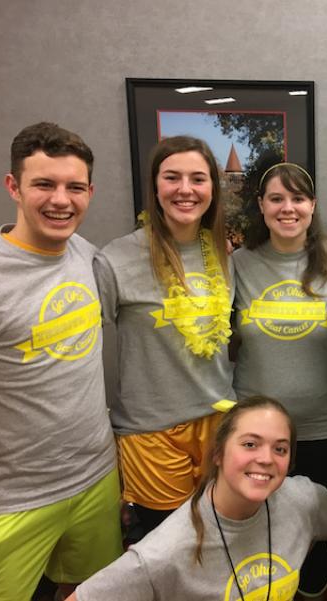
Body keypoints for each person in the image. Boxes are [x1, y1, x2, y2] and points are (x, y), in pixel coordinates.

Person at [0, 122, 120, 601]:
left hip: (94, 477)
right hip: (11, 498)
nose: (61, 200)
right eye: (44, 184)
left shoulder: (86, 257)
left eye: (75, 187)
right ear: (14, 187)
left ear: (90, 191)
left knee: (87, 592)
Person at [94, 136, 235, 535]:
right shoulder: (116, 258)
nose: (185, 189)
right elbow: (82, 349)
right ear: (155, 187)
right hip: (150, 430)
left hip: (219, 421)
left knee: (218, 536)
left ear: (212, 188)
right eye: (172, 177)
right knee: (166, 544)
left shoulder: (224, 255)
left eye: (198, 179)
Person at [232, 161, 327, 596]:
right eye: (277, 198)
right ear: (262, 207)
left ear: (313, 206)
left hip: (324, 429)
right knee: (258, 533)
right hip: (256, 433)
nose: (288, 208)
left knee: (315, 533)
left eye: (298, 198)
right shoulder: (239, 265)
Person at [69, 395, 327, 600]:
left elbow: (315, 535)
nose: (266, 459)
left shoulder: (306, 500)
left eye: (280, 448)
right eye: (250, 444)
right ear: (218, 453)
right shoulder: (164, 553)